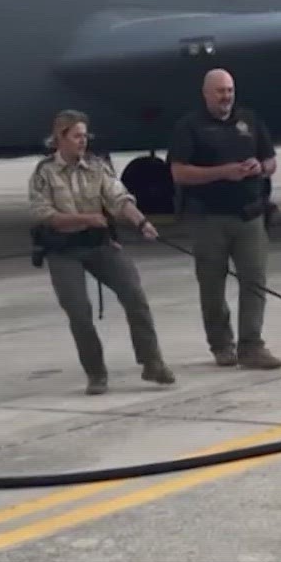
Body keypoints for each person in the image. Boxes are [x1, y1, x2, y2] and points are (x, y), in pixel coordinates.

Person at [27, 109, 174, 395]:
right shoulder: (44, 173)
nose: (83, 142)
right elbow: (43, 214)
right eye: (77, 136)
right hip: (64, 249)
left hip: (98, 244)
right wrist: (85, 219)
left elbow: (118, 198)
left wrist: (141, 221)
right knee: (79, 311)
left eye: (85, 136)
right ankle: (96, 373)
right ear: (61, 138)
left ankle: (152, 363)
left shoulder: (96, 167)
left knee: (135, 296)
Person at [169, 68, 281, 370]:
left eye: (229, 90)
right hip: (209, 219)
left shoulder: (249, 121)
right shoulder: (190, 126)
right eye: (220, 91)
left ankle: (252, 345)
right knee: (212, 286)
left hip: (250, 216)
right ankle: (221, 345)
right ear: (206, 94)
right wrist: (223, 172)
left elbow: (271, 160)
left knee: (254, 281)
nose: (226, 97)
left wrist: (259, 166)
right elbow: (179, 172)